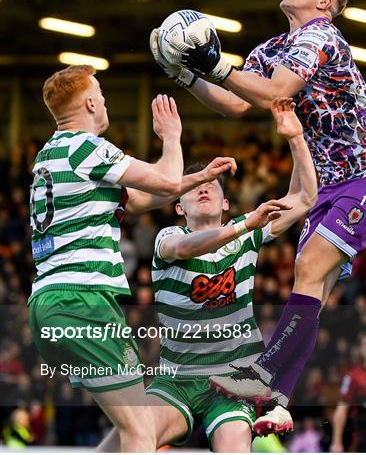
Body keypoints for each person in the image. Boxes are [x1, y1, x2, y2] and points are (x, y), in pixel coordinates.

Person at [150, 0, 366, 432]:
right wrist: (185, 74)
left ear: (325, 2)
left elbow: (277, 92)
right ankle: (280, 400)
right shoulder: (273, 48)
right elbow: (238, 103)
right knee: (313, 291)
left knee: (308, 269)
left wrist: (213, 63)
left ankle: (261, 375)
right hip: (327, 189)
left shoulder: (320, 34)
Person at [28, 65, 235, 452]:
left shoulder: (49, 156)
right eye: (101, 94)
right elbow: (168, 181)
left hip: (47, 303)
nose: (104, 101)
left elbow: (141, 198)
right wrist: (171, 138)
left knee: (131, 426)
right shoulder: (88, 147)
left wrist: (198, 177)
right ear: (90, 102)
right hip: (84, 301)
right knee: (141, 431)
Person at [97, 98, 317, 452]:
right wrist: (245, 224)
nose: (204, 187)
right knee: (132, 435)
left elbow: (305, 198)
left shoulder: (248, 232)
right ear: (178, 206)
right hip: (176, 381)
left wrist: (295, 137)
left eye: (214, 185)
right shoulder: (168, 238)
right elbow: (186, 250)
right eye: (196, 186)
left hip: (232, 381)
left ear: (226, 203)